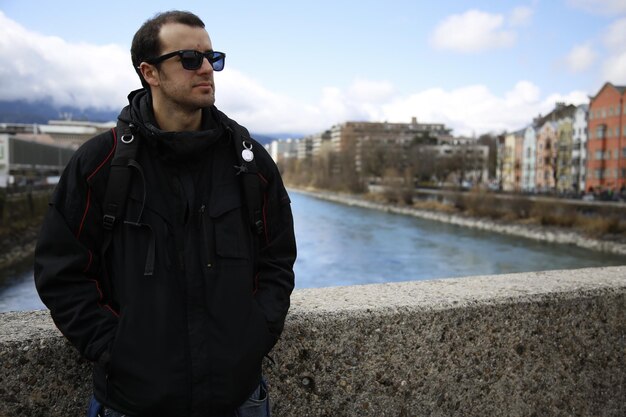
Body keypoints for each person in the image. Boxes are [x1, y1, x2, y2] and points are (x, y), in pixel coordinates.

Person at [34, 10, 296, 417]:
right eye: (190, 58)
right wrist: (113, 348)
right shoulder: (101, 163)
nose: (207, 68)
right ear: (149, 73)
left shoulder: (249, 162)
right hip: (132, 401)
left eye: (213, 57)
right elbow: (61, 270)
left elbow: (277, 258)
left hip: (237, 398)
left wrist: (254, 334)